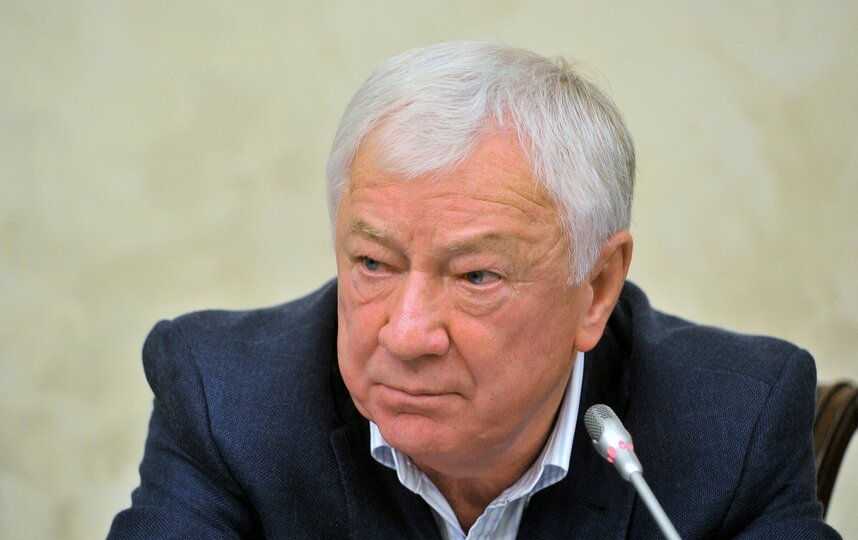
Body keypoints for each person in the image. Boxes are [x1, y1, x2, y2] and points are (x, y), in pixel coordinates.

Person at [109, 42, 839, 539]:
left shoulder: (734, 418)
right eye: (373, 263)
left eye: (476, 276)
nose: (406, 334)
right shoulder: (225, 397)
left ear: (596, 289)